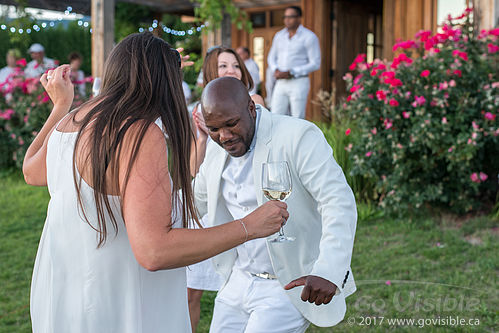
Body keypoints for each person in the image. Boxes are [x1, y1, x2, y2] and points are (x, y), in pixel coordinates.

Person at [22, 32, 288, 333]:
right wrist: (249, 227)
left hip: (66, 297)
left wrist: (60, 106)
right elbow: (154, 250)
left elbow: (31, 171)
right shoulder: (138, 132)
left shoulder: (72, 121)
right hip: (120, 304)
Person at [193, 77, 357, 332]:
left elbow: (338, 200)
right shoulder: (216, 150)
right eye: (214, 129)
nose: (223, 136)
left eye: (231, 124)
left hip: (286, 286)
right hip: (235, 280)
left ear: (250, 108)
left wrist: (329, 270)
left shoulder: (298, 135)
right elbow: (194, 202)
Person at [187, 46, 267, 332]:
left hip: (238, 203)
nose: (231, 70)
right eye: (223, 66)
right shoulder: (199, 111)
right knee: (190, 290)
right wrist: (200, 137)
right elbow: (192, 170)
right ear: (210, 71)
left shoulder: (252, 102)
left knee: (235, 275)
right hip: (209, 197)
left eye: (235, 65)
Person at [267, 6, 321, 119]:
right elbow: (271, 57)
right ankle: (278, 137)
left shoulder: (309, 37)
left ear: (299, 18)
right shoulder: (279, 36)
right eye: (285, 17)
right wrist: (275, 69)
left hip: (299, 81)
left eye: (291, 17)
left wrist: (292, 71)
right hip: (280, 82)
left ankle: (296, 137)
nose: (287, 20)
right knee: (275, 115)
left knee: (297, 117)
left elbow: (315, 63)